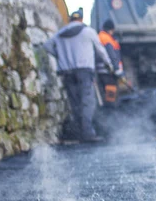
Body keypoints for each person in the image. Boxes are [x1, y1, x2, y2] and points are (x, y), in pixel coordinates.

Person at [44, 8, 113, 142]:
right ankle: (88, 133)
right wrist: (109, 65)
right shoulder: (88, 31)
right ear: (81, 19)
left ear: (70, 19)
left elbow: (47, 46)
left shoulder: (60, 34)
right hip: (84, 71)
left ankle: (80, 133)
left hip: (67, 72)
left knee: (75, 102)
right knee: (87, 102)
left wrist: (59, 56)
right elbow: (100, 50)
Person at [96, 19, 124, 106]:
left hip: (102, 71)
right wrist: (117, 70)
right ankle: (110, 112)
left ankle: (107, 109)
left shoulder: (100, 36)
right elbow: (112, 56)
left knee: (106, 92)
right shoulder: (106, 39)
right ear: (111, 29)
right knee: (111, 92)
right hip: (108, 71)